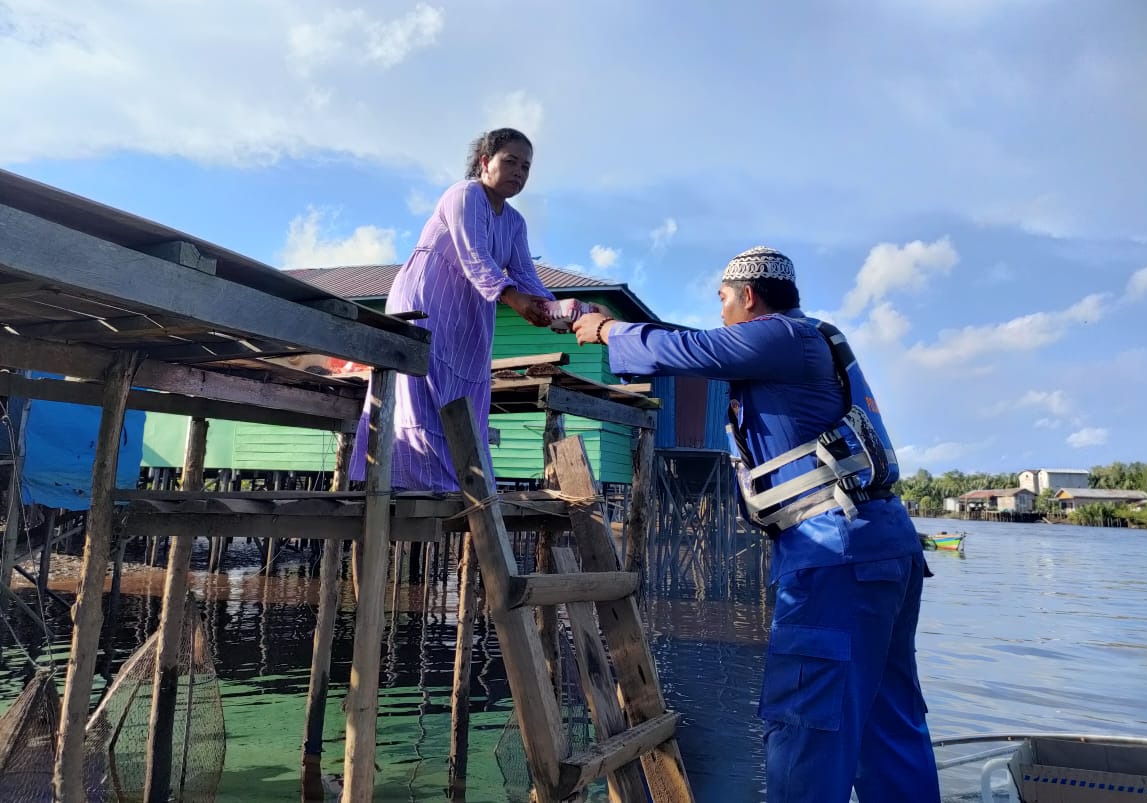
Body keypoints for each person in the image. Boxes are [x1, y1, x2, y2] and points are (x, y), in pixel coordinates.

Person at [572, 246, 940, 803]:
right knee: (887, 722)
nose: (720, 314)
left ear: (748, 296)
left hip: (833, 552)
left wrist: (603, 329)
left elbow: (690, 348)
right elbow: (704, 345)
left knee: (807, 724)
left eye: (722, 300)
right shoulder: (802, 343)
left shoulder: (781, 336)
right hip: (880, 547)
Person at [352, 128, 555, 490]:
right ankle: (414, 482)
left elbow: (526, 275)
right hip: (427, 303)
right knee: (419, 388)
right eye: (510, 161)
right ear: (484, 161)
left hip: (470, 314)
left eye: (526, 167)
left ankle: (460, 480)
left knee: (463, 398)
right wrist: (516, 300)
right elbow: (474, 256)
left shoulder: (515, 222)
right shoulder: (464, 194)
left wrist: (559, 313)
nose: (519, 173)